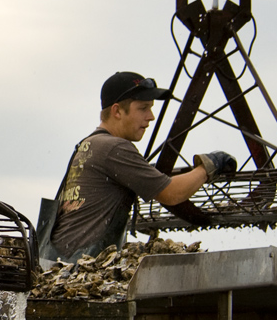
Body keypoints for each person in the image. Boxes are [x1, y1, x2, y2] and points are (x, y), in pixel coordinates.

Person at [46, 71, 236, 265]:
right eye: (143, 108)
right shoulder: (114, 148)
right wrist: (208, 166)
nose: (151, 117)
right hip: (81, 264)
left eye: (151, 108)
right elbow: (171, 193)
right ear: (117, 111)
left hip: (60, 262)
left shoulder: (88, 145)